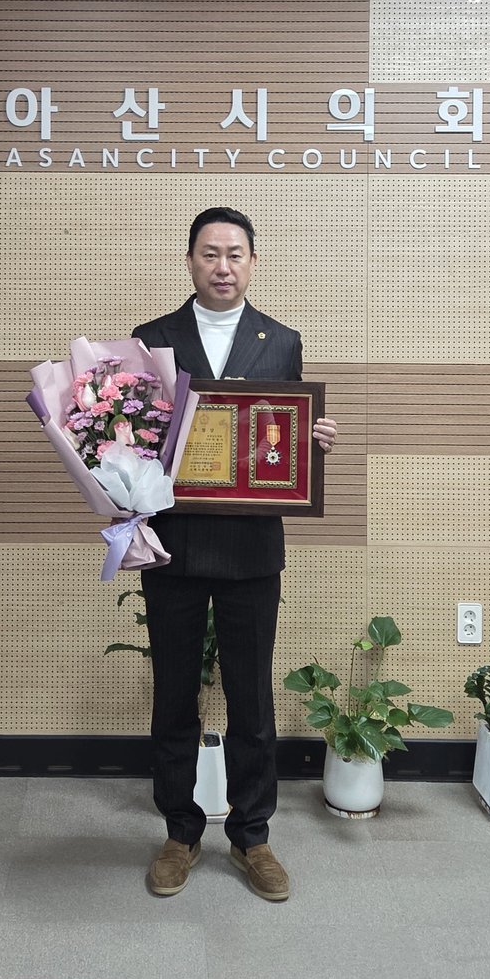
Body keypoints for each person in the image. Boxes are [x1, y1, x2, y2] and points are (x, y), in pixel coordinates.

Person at [132, 206, 337, 902]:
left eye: (236, 254)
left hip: (252, 547)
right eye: (210, 253)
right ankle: (179, 833)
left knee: (252, 699)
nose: (223, 266)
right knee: (173, 697)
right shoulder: (153, 338)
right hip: (175, 543)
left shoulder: (282, 341)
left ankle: (253, 837)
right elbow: (134, 438)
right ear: (190, 260)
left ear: (253, 262)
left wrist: (312, 442)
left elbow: (276, 441)